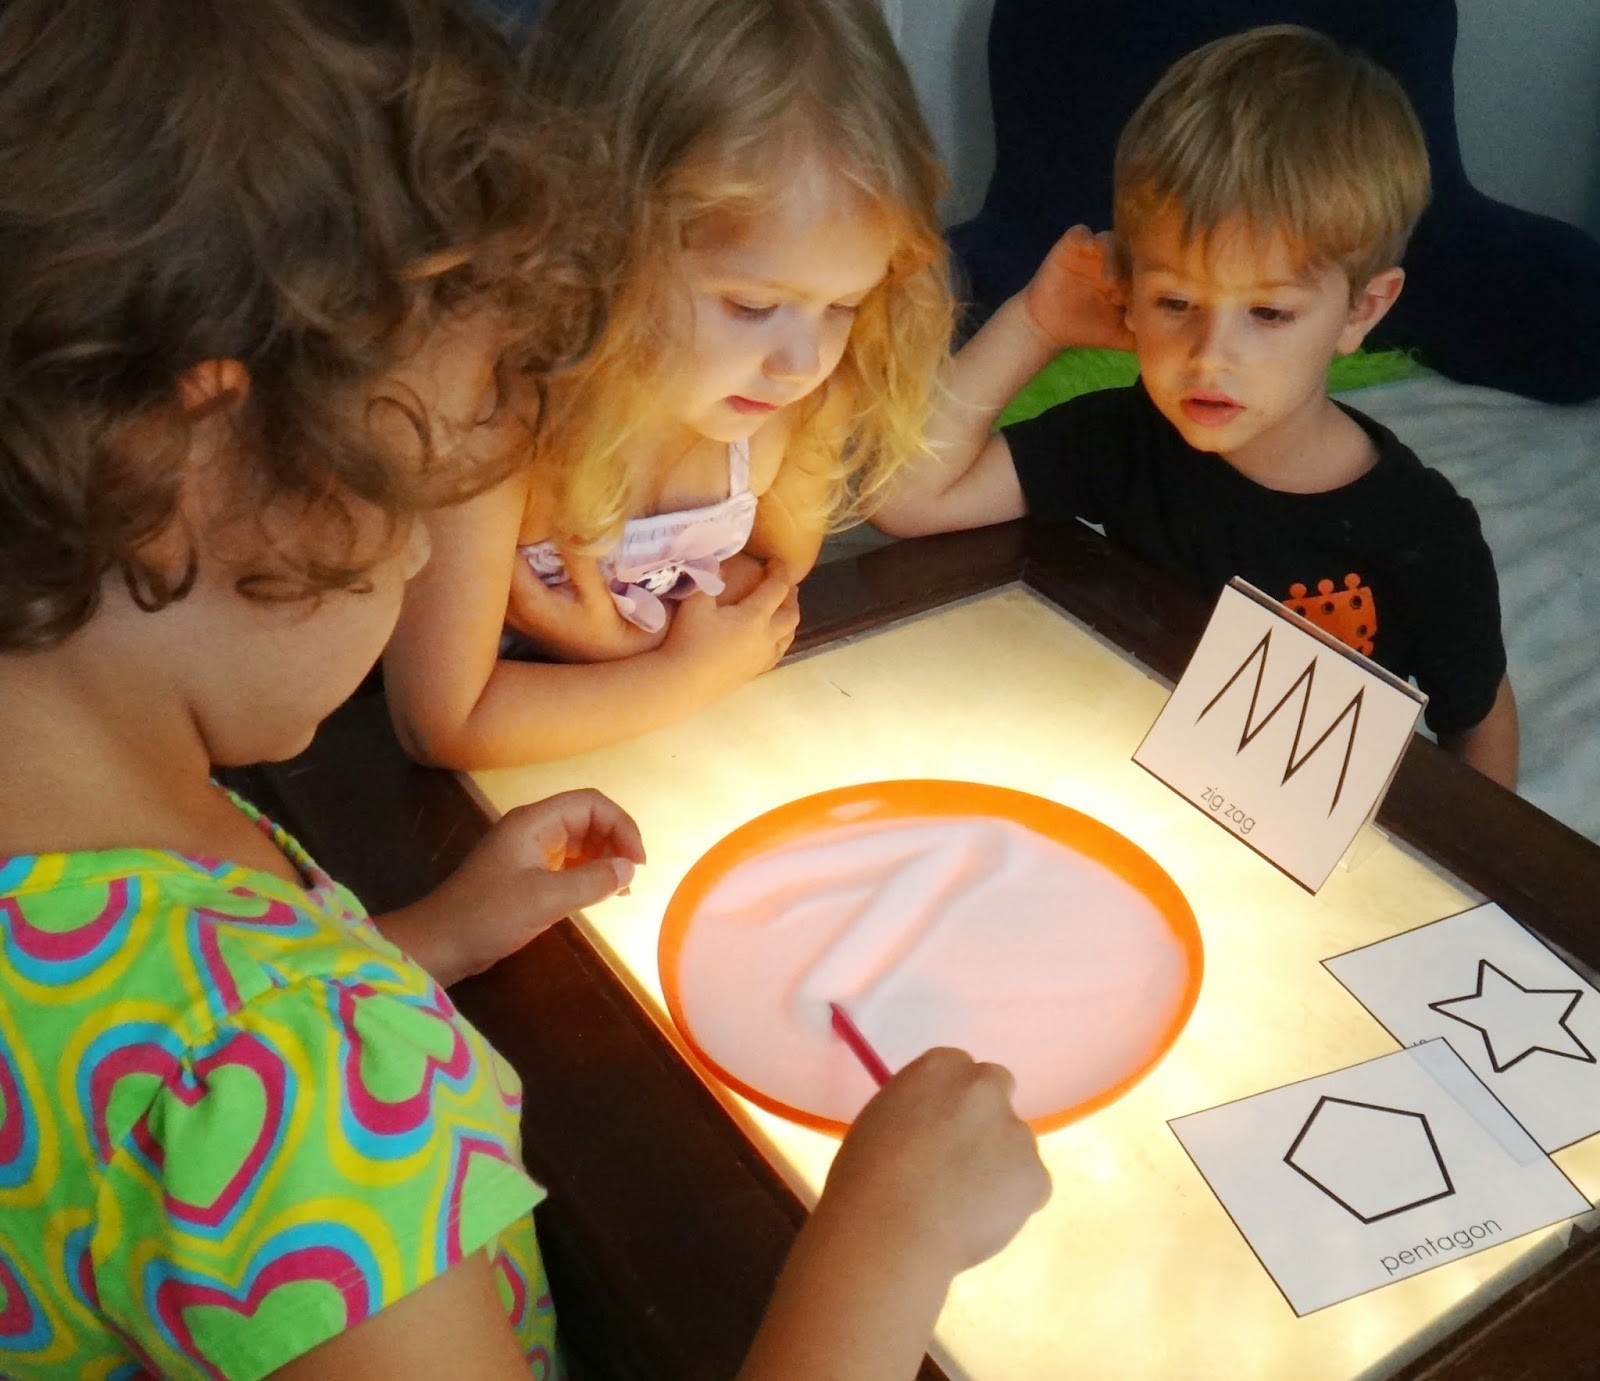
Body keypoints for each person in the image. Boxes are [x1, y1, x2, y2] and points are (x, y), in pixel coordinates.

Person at [0, 3, 1048, 1378]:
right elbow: (253, 1110)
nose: (436, 553)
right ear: (189, 472)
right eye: (419, 494)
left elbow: (145, 1083)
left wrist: (421, 939)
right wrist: (885, 1243)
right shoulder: (300, 1091)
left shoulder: (119, 857)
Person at [873, 25, 1518, 788]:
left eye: (1269, 314)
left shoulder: (1424, 535)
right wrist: (1035, 322)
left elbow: (1478, 722)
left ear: (1361, 311)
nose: (1211, 354)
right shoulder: (1121, 440)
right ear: (1129, 291)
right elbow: (904, 496)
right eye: (1176, 301)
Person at [381, 0, 955, 769]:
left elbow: (767, 584)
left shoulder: (799, 396)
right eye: (751, 306)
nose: (801, 360)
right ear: (597, 234)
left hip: (643, 761)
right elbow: (444, 722)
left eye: (845, 306)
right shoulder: (498, 408)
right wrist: (677, 670)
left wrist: (627, 646)